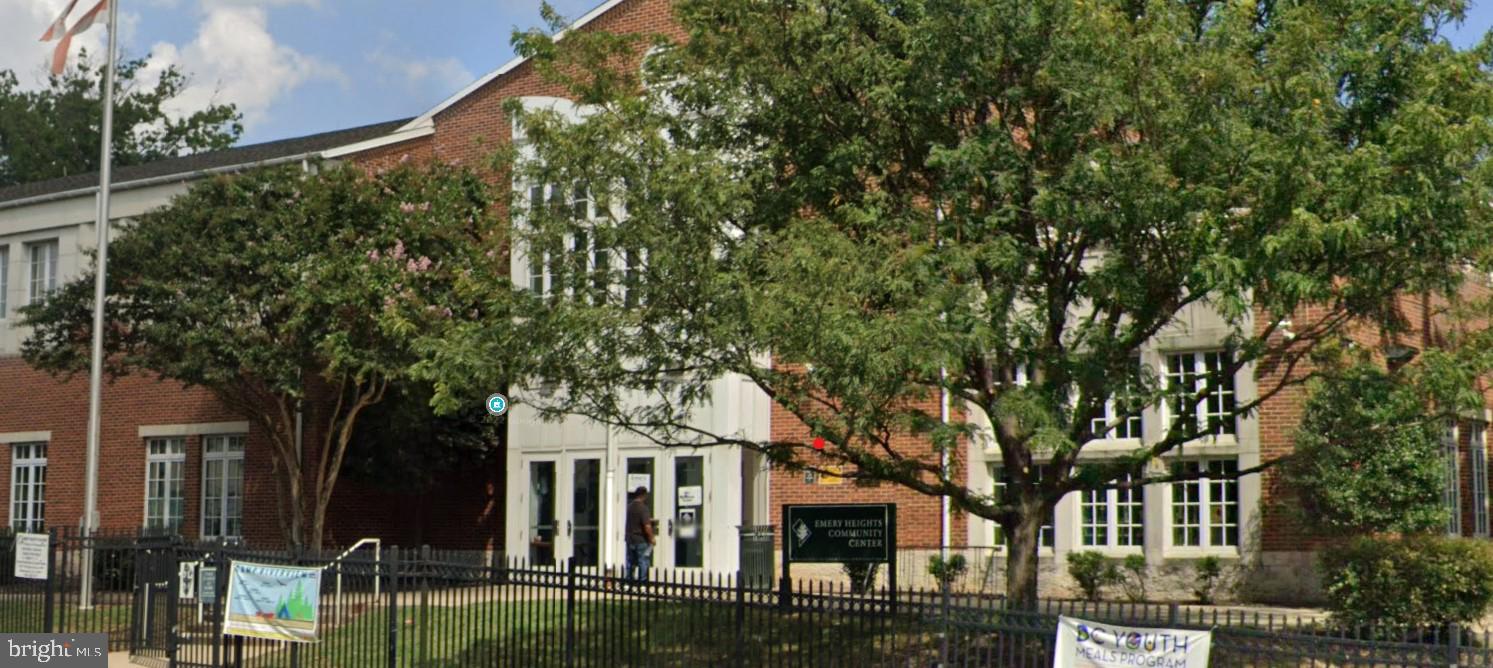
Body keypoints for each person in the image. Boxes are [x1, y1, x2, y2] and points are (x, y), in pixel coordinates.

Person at [624, 486, 655, 583]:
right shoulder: (643, 508)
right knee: (643, 561)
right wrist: (651, 538)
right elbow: (647, 526)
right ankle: (642, 583)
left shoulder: (629, 507)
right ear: (644, 495)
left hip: (630, 538)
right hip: (641, 539)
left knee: (630, 561)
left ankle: (628, 582)